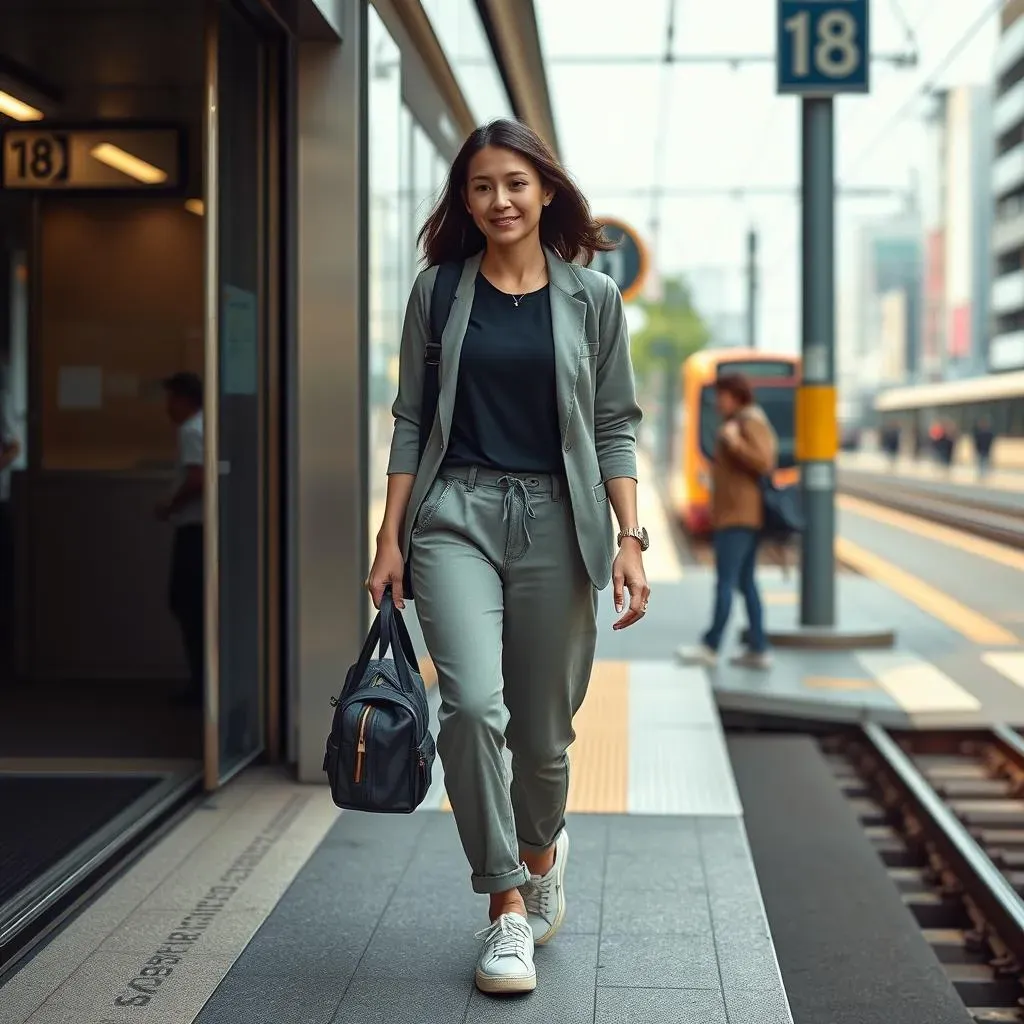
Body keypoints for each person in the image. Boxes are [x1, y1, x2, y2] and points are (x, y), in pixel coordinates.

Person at [366, 118, 648, 996]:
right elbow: (412, 418)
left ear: (547, 191)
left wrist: (631, 538)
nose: (500, 201)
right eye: (482, 187)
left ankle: (539, 851)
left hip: (560, 522)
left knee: (546, 737)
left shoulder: (593, 299)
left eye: (516, 184)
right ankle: (506, 909)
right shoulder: (439, 293)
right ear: (466, 199)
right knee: (474, 711)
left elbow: (613, 424)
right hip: (456, 514)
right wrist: (389, 534)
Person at [678, 373, 777, 670]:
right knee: (745, 583)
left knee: (726, 582)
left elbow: (764, 462)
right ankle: (758, 648)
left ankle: (711, 646)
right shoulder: (743, 421)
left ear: (735, 396)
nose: (717, 402)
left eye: (721, 396)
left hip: (738, 517)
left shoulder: (749, 421)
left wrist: (734, 443)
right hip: (736, 515)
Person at [156, 372, 204, 707]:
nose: (167, 407)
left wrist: (169, 506)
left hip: (194, 531)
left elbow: (197, 478)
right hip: (198, 530)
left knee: (187, 604)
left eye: (171, 398)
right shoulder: (204, 426)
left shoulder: (191, 430)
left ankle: (199, 685)